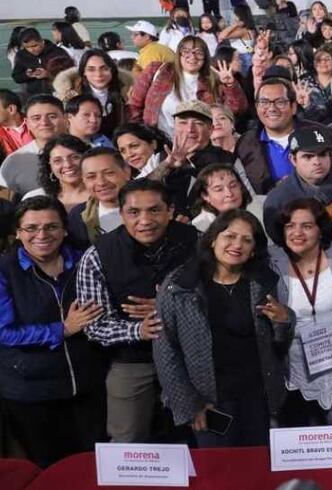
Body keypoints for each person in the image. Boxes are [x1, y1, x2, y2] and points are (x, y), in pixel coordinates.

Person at [154, 209, 294, 447]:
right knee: (219, 473)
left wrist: (284, 321)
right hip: (208, 401)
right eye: (229, 236)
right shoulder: (180, 285)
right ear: (212, 239)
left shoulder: (263, 282)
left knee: (257, 470)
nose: (237, 245)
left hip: (257, 398)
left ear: (253, 251)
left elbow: (279, 345)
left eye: (246, 240)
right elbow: (165, 351)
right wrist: (191, 406)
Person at [76, 179, 198, 443]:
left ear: (170, 210)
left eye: (154, 210)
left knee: (202, 434)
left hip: (190, 355)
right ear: (121, 214)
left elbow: (220, 298)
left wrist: (169, 307)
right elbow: (95, 326)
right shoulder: (97, 255)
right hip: (133, 359)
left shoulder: (196, 242)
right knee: (126, 441)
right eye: (134, 212)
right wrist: (139, 330)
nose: (145, 220)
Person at [0, 197, 105, 467]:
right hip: (32, 393)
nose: (42, 235)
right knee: (52, 470)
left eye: (51, 227)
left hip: (88, 386)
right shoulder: (4, 270)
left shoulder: (85, 260)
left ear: (65, 229)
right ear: (18, 233)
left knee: (95, 467)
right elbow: (5, 332)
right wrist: (64, 329)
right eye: (32, 228)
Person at [267, 199, 332, 426]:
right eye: (290, 226)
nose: (297, 232)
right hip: (292, 373)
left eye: (306, 226)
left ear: (320, 230)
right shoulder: (271, 262)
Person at [127, 36, 247, 138]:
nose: (192, 56)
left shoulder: (213, 80)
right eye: (186, 51)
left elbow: (236, 110)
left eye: (199, 52)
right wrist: (141, 135)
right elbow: (135, 104)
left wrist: (230, 85)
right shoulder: (158, 70)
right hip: (158, 140)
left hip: (198, 143)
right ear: (178, 53)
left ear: (205, 57)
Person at [263, 127, 332, 246]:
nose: (317, 161)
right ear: (293, 160)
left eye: (322, 154)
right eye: (308, 156)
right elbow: (280, 243)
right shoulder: (277, 199)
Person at [0, 95, 68, 198]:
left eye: (52, 116)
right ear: (27, 122)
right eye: (36, 118)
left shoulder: (87, 152)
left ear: (66, 118)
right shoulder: (13, 162)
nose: (44, 123)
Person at [189, 163, 262, 233]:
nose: (229, 194)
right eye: (219, 190)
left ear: (240, 186)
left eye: (233, 186)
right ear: (205, 196)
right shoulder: (198, 228)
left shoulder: (263, 205)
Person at [26, 135, 89, 212]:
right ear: (49, 166)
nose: (68, 165)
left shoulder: (102, 194)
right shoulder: (35, 197)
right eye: (57, 160)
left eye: (74, 157)